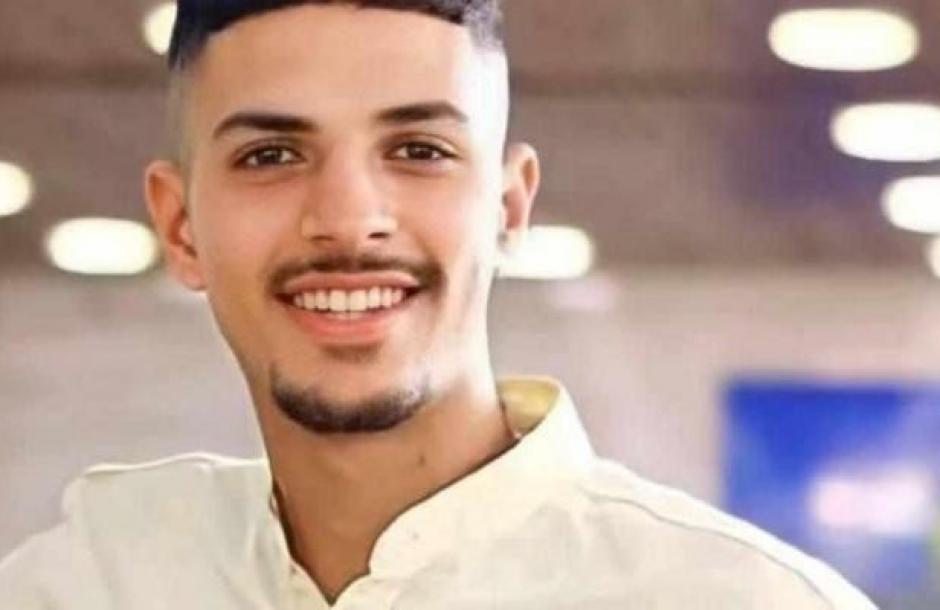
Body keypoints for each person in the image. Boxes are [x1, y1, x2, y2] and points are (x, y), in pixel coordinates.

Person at [0, 1, 877, 608]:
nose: (347, 219)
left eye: (419, 149)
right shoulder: (83, 584)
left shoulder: (735, 599)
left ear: (509, 207)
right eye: (270, 156)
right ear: (181, 226)